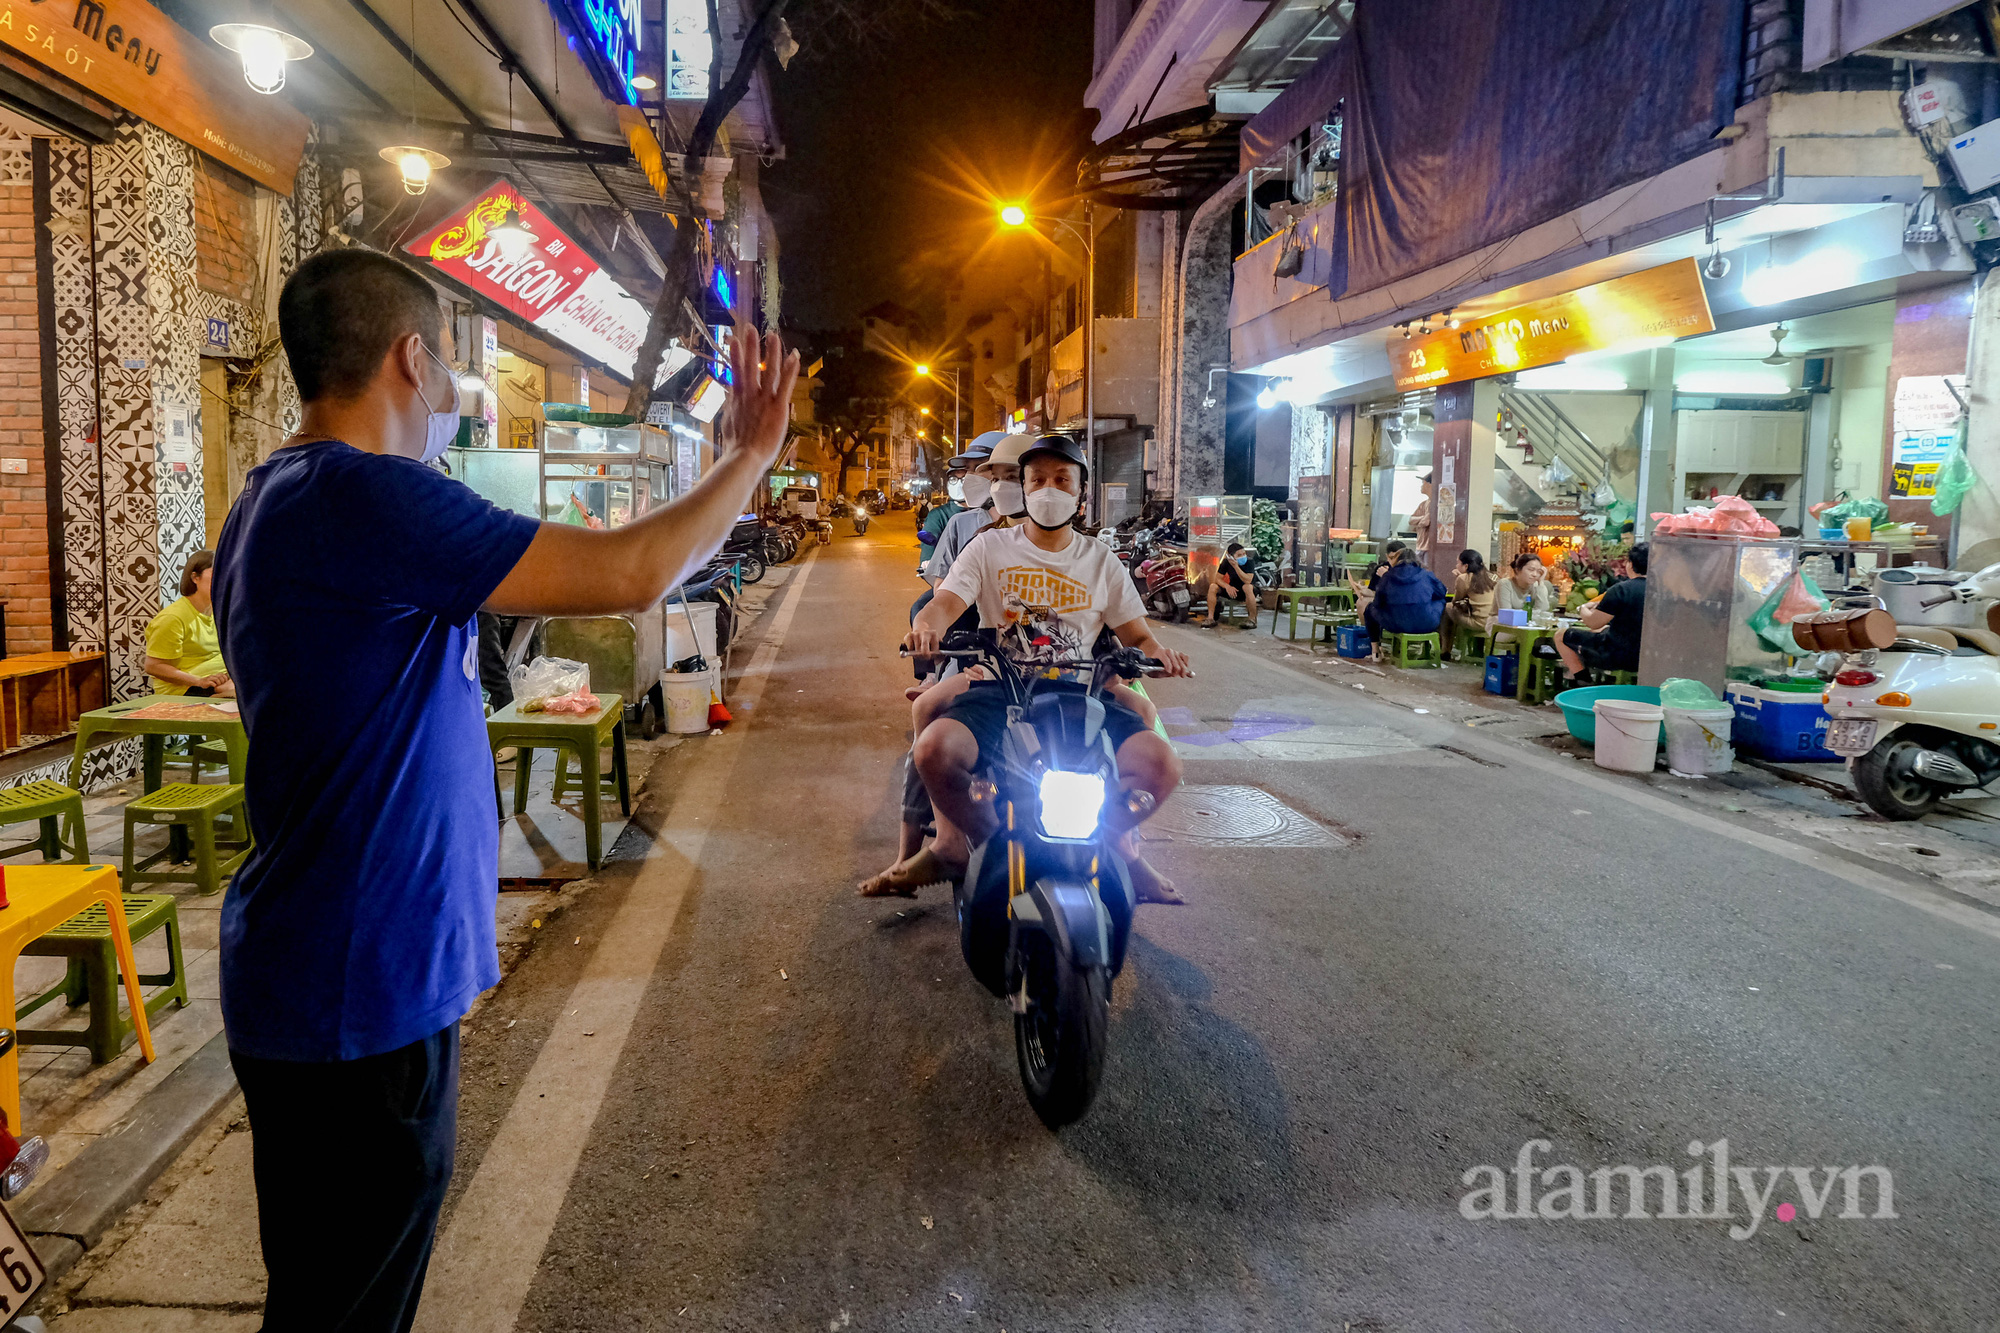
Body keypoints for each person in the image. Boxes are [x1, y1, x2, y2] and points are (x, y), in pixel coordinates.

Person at [212, 249, 797, 1333]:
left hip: (322, 967)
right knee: (352, 1303)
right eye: (450, 375)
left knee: (326, 1292)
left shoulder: (271, 501)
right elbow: (629, 574)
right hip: (359, 983)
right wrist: (750, 455)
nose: (456, 399)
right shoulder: (364, 494)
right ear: (412, 357)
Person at [885, 435, 1192, 905]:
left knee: (1161, 765)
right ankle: (968, 847)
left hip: (1082, 692)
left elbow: (1138, 635)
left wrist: (1160, 654)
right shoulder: (988, 548)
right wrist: (925, 626)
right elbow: (944, 602)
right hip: (1001, 690)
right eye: (1038, 480)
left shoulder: (1101, 561)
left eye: (1061, 479)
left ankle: (1118, 846)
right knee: (932, 752)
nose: (1049, 489)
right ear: (1024, 490)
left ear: (1080, 492)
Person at [145, 550, 233, 697]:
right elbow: (153, 666)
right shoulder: (173, 618)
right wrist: (199, 681)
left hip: (218, 681)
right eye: (215, 572)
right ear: (195, 577)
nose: (222, 579)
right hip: (185, 690)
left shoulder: (218, 611)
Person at [1556, 541, 1648, 678]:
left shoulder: (1621, 590)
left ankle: (1582, 681)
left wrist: (1583, 608)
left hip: (1614, 655)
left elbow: (1592, 622)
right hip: (1648, 657)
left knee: (1561, 635)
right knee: (1600, 631)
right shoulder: (1663, 592)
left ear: (1630, 564)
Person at [1363, 546, 1448, 657]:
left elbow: (1378, 603)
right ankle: (1442, 647)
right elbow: (1442, 592)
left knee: (1370, 609)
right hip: (1427, 623)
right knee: (1441, 602)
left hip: (1395, 624)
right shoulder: (1426, 575)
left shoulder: (1387, 576)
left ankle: (1376, 652)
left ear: (1397, 561)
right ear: (1416, 560)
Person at [1442, 548, 1497, 643]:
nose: (1456, 565)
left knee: (1448, 607)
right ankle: (1476, 651)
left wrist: (1459, 578)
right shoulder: (1492, 577)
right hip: (1494, 622)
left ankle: (1446, 649)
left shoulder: (1463, 578)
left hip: (1478, 623)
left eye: (1458, 563)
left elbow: (1456, 601)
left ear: (1466, 566)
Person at [1199, 541, 1255, 627]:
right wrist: (1227, 586)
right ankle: (1210, 618)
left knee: (1247, 587)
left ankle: (1252, 619)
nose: (1243, 556)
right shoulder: (1226, 562)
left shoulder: (1249, 562)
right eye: (1239, 555)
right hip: (1232, 590)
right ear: (1231, 557)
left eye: (1244, 554)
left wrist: (1236, 566)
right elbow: (1217, 578)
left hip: (1246, 592)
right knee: (1213, 586)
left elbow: (1248, 580)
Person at [1494, 551, 1555, 620]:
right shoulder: (1505, 584)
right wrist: (1533, 614)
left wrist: (1540, 583)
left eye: (1539, 571)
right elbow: (1506, 614)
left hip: (1528, 624)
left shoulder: (1536, 586)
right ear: (1517, 570)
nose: (1535, 574)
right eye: (1531, 570)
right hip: (1501, 624)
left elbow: (1543, 610)